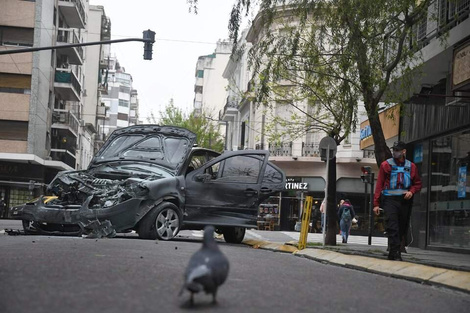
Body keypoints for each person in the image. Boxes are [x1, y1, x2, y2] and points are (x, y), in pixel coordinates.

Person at [373, 141, 422, 261]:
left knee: (401, 227)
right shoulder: (386, 165)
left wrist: (411, 191)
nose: (395, 152)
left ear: (404, 151)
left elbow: (417, 184)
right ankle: (395, 251)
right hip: (389, 200)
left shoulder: (412, 167)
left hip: (405, 201)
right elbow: (379, 185)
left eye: (397, 150)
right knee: (392, 225)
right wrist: (376, 204)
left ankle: (394, 251)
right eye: (394, 150)